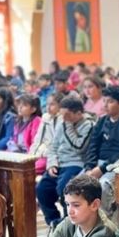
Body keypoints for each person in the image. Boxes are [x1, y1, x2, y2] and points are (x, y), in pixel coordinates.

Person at [84, 85, 119, 215]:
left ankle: (106, 225)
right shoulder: (102, 120)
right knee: (77, 183)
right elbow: (93, 144)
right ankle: (84, 225)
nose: (105, 105)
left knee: (103, 185)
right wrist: (89, 167)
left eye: (110, 102)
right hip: (98, 165)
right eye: (104, 101)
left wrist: (102, 169)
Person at [40, 96, 94, 227]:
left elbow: (79, 147)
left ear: (78, 113)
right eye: (62, 114)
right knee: (42, 188)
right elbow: (53, 146)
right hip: (59, 163)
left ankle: (68, 222)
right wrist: (52, 163)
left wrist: (69, 126)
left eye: (67, 115)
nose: (63, 118)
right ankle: (53, 221)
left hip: (76, 163)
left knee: (64, 188)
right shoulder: (62, 123)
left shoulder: (88, 125)